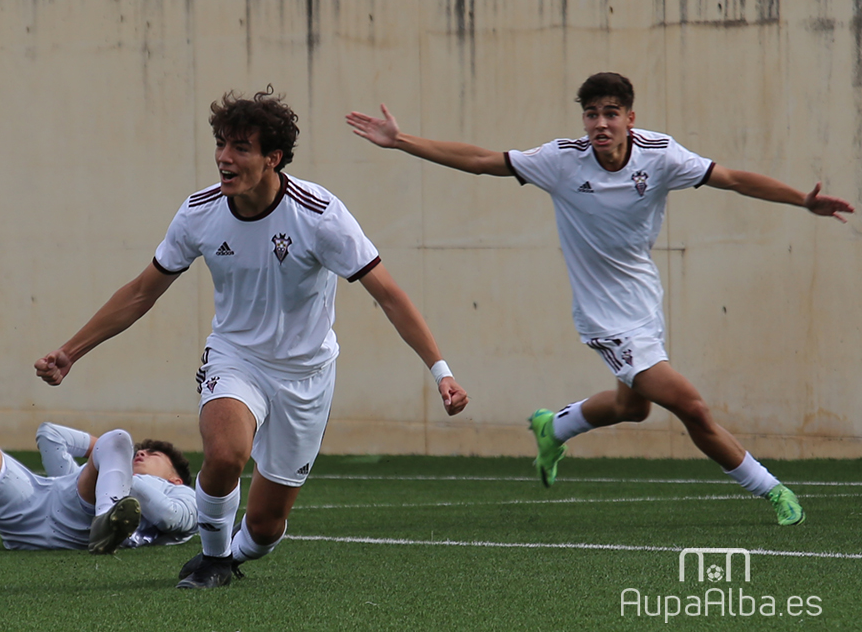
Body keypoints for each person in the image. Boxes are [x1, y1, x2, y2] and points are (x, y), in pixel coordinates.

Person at [346, 72, 855, 526]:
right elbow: (482, 161)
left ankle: (554, 426)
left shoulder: (660, 156)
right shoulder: (562, 162)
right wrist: (403, 141)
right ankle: (772, 490)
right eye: (592, 113)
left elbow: (734, 179)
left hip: (644, 305)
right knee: (692, 407)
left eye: (611, 113)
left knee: (633, 408)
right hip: (602, 318)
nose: (600, 123)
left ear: (630, 118)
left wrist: (801, 200)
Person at [35, 86, 470, 589]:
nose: (224, 157)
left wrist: (442, 372)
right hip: (235, 357)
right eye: (221, 144)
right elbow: (140, 292)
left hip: (306, 375)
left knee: (264, 529)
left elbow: (389, 295)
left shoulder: (320, 215)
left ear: (272, 158)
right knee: (224, 455)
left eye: (241, 147)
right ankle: (213, 559)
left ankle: (236, 554)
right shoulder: (199, 213)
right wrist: (70, 352)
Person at [0, 405, 197, 555]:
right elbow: (50, 434)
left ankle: (106, 523)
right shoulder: (107, 468)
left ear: (175, 478)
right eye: (139, 452)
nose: (141, 454)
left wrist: (121, 465)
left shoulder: (183, 494)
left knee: (118, 437)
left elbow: (172, 518)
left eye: (153, 455)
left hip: (83, 518)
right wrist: (114, 454)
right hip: (33, 499)